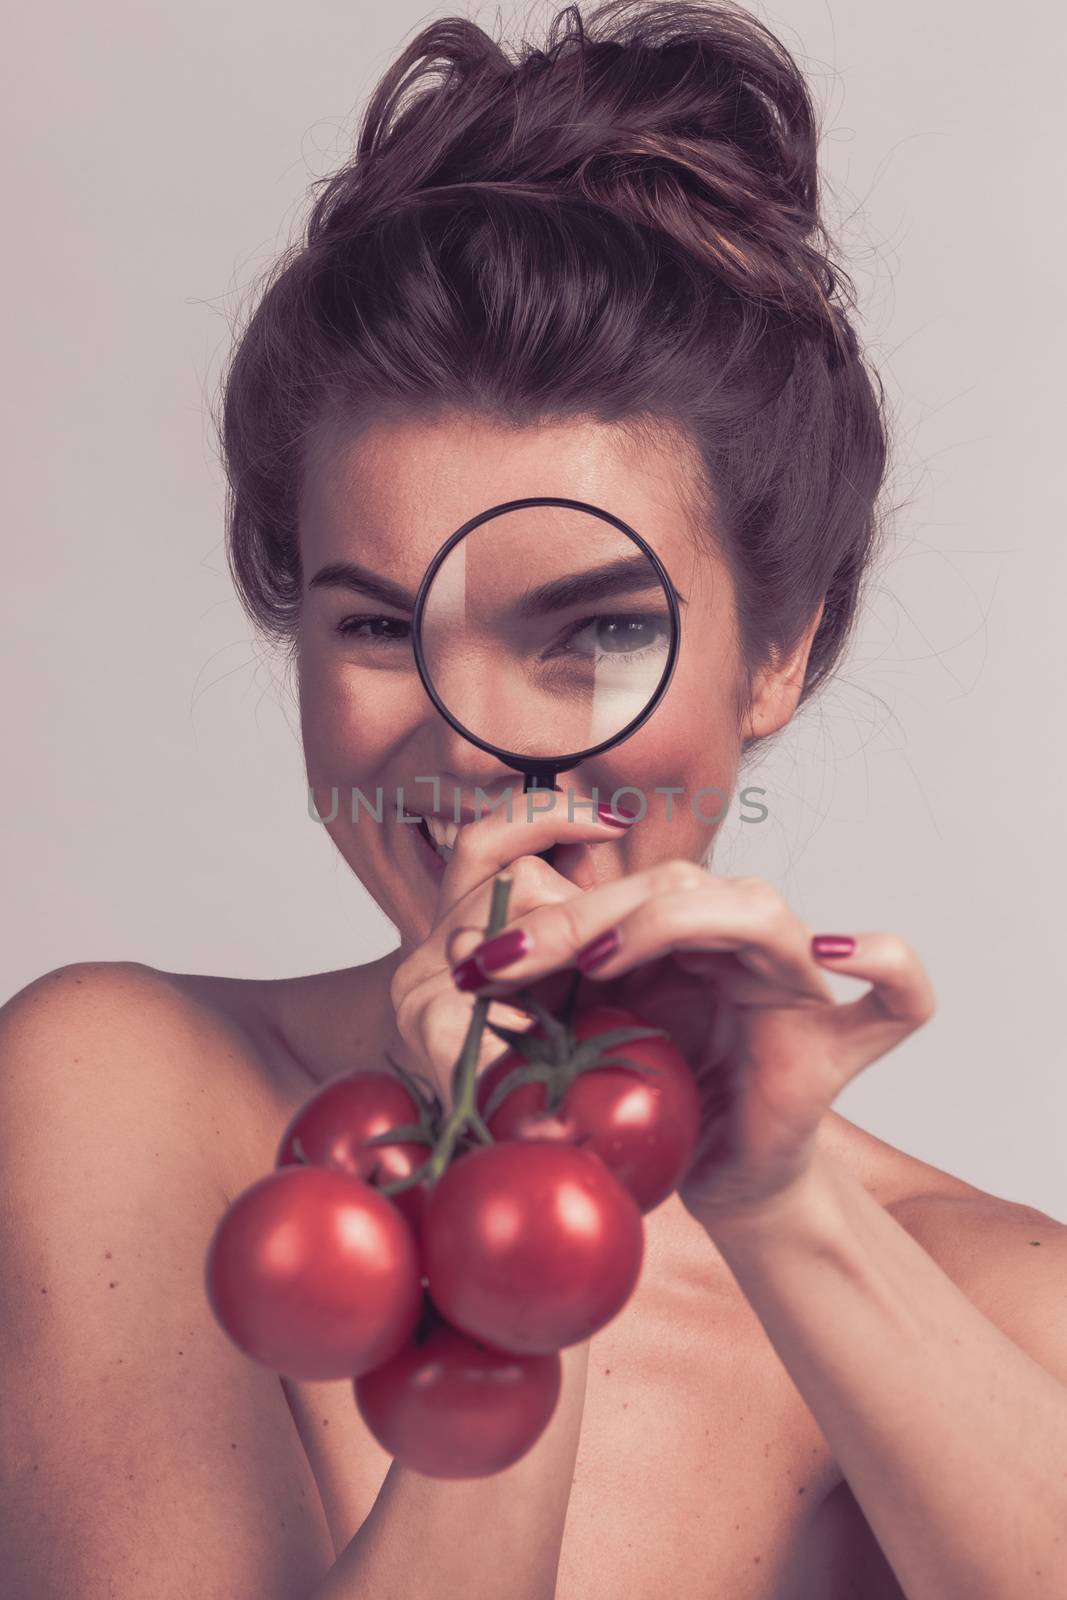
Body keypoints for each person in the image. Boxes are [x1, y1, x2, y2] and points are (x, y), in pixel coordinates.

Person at [2, 2, 1065, 1596]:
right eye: (376, 625)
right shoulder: (119, 1090)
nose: (476, 735)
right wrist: (521, 1205)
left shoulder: (995, 1304)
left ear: (783, 652)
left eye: (601, 631)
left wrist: (777, 1196)